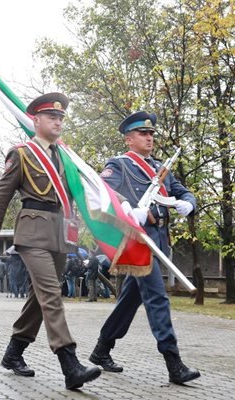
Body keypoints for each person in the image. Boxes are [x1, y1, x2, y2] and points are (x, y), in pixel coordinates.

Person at [0, 93, 101, 390]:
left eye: (61, 118)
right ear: (35, 120)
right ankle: (69, 363)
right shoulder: (21, 153)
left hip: (59, 235)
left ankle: (14, 352)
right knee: (51, 295)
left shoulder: (66, 156)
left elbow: (79, 193)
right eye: (52, 117)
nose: (58, 122)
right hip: (32, 233)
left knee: (41, 296)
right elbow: (2, 197)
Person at [89, 111, 200, 384]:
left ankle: (102, 349)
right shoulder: (119, 165)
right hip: (137, 240)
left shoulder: (160, 168)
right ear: (129, 138)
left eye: (151, 134)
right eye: (143, 134)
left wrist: (188, 203)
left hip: (159, 239)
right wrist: (128, 209)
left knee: (131, 299)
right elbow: (103, 194)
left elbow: (182, 191)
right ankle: (173, 363)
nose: (149, 138)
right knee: (157, 297)